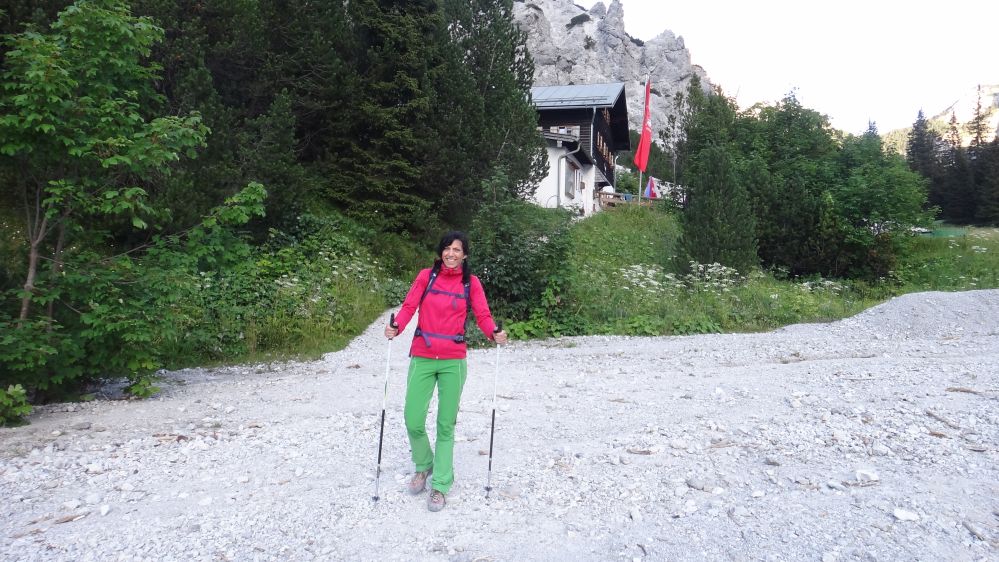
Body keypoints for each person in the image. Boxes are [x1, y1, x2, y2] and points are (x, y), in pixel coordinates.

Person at [384, 231, 507, 512]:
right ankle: (424, 464)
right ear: (441, 252)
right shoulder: (426, 276)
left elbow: (483, 315)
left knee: (445, 424)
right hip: (423, 356)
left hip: (453, 359)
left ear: (465, 255)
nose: (451, 254)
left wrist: (494, 333)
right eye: (447, 249)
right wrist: (396, 327)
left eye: (457, 250)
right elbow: (409, 307)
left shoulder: (471, 282)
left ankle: (440, 484)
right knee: (413, 419)